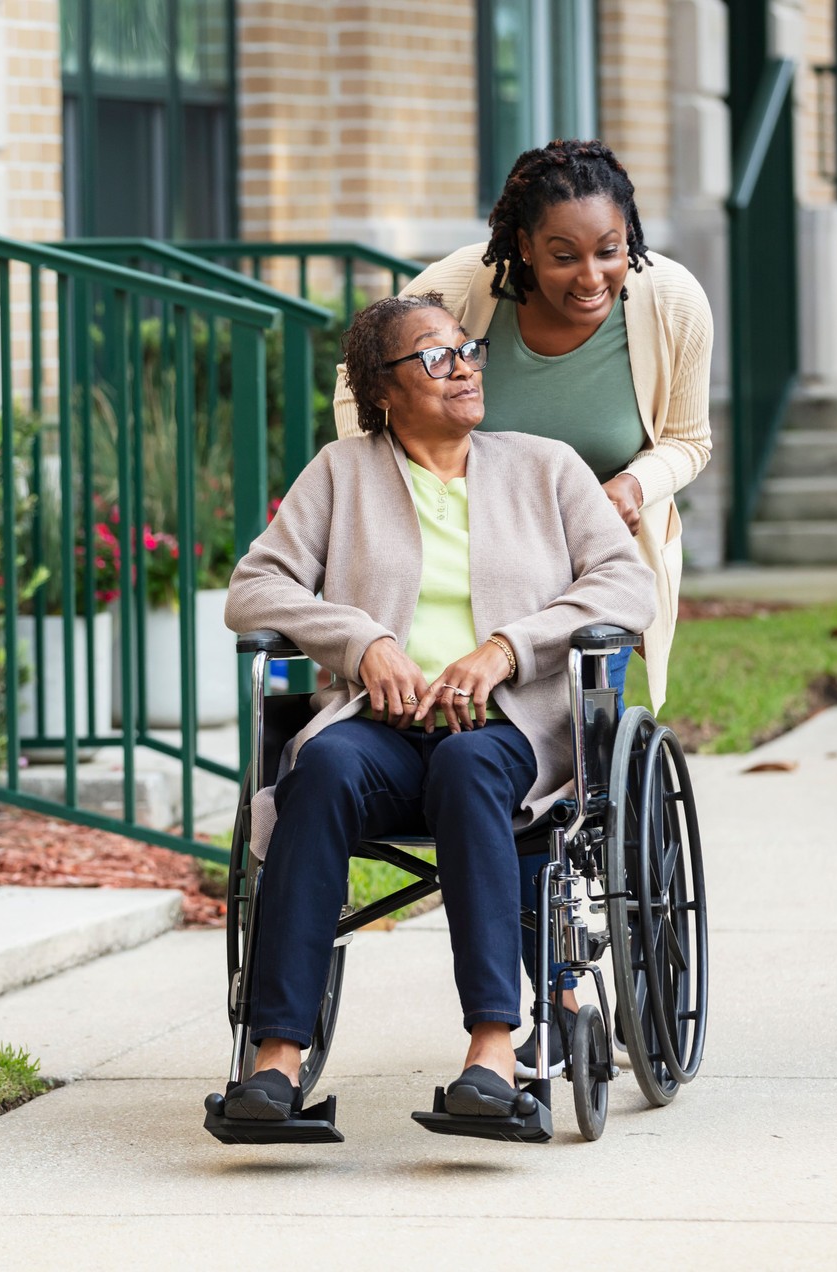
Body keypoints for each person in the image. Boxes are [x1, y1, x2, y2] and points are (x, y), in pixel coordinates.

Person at [218, 293, 656, 1123]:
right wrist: (361, 641)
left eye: (466, 350)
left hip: (509, 728)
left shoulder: (545, 466)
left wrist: (507, 649)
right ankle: (275, 1060)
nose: (463, 368)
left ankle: (495, 1048)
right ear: (381, 391)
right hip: (379, 731)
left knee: (465, 766)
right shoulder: (341, 472)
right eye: (435, 356)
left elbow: (624, 582)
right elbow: (253, 589)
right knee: (319, 770)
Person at [333, 139, 714, 1076]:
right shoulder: (461, 293)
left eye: (611, 250)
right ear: (519, 250)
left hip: (590, 573)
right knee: (488, 764)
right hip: (466, 562)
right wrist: (395, 491)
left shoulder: (669, 304)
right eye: (564, 254)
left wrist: (633, 487)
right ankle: (552, 997)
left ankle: (563, 988)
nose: (592, 275)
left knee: (563, 759)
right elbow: (365, 385)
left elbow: (690, 439)